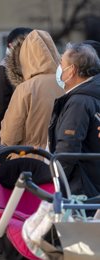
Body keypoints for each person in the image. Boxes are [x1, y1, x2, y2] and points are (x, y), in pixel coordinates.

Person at [48, 42, 100, 197]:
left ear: (72, 70)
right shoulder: (93, 95)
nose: (58, 68)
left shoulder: (79, 101)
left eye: (61, 63)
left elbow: (68, 148)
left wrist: (55, 181)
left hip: (81, 189)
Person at [0, 29, 63, 151]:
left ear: (24, 57)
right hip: (61, 160)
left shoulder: (25, 88)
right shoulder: (68, 83)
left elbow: (9, 136)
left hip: (30, 158)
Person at [0, 27, 32, 144]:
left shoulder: (12, 65)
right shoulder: (7, 67)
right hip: (11, 132)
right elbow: (0, 103)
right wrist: (2, 130)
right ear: (12, 45)